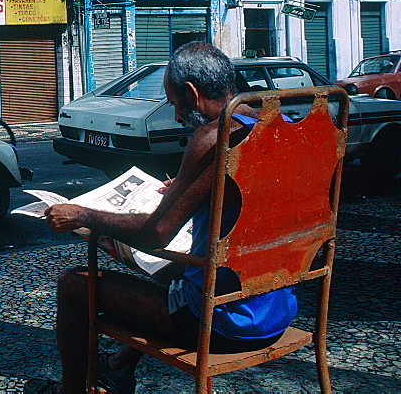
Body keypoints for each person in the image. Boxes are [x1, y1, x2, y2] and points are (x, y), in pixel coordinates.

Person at [28, 42, 297, 394]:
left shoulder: (214, 137)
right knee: (166, 268)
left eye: (174, 104)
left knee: (74, 284)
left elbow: (157, 234)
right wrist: (187, 190)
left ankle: (73, 391)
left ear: (192, 93)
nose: (175, 117)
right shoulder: (279, 125)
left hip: (220, 321)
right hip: (276, 307)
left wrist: (82, 214)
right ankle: (120, 366)